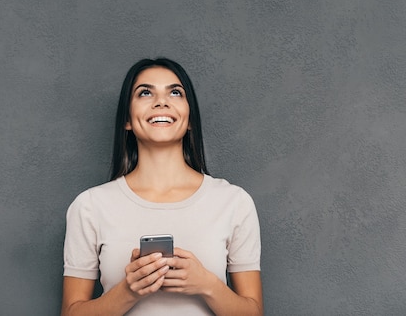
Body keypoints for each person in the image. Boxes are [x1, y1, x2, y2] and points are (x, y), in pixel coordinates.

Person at [61, 58, 263, 315]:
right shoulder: (90, 206)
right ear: (127, 120)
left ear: (189, 119)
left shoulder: (234, 202)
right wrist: (129, 291)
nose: (161, 101)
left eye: (175, 92)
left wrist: (207, 285)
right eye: (145, 92)